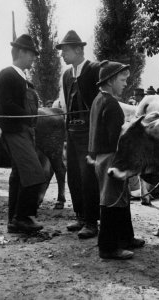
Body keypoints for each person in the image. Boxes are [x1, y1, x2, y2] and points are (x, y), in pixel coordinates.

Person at [88, 60, 145, 259]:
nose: (125, 84)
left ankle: (126, 237)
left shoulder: (99, 99)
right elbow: (116, 139)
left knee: (122, 199)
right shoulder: (111, 103)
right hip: (112, 157)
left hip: (101, 157)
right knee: (112, 202)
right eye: (122, 80)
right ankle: (108, 248)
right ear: (111, 81)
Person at [0, 34, 46, 233]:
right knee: (34, 172)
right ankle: (23, 217)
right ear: (21, 52)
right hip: (14, 131)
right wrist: (28, 115)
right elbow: (6, 105)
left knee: (18, 175)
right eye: (31, 54)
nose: (33, 58)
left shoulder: (21, 77)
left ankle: (13, 220)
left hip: (23, 130)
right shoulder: (7, 74)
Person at [56, 30, 100, 239]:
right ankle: (81, 216)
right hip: (72, 132)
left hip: (89, 132)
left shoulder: (94, 70)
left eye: (65, 50)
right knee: (73, 175)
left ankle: (92, 222)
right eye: (62, 50)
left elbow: (101, 103)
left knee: (88, 176)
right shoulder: (66, 75)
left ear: (79, 50)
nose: (62, 54)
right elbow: (66, 102)